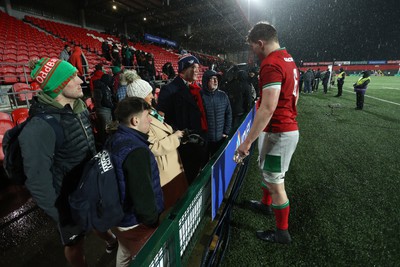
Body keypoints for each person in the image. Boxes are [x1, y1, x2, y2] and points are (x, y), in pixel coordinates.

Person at [20, 58, 116, 267]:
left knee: (98, 219)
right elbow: (37, 181)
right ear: (59, 86)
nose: (81, 79)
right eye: (73, 77)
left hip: (90, 185)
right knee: (75, 244)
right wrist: (61, 214)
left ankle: (111, 241)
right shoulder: (40, 127)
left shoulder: (79, 108)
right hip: (68, 200)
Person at [236, 22, 299, 244]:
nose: (253, 51)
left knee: (274, 182)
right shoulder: (288, 59)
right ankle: (265, 205)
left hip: (279, 133)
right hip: (282, 129)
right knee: (268, 174)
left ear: (260, 43)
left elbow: (268, 107)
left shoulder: (271, 63)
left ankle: (282, 233)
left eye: (253, 46)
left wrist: (247, 142)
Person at [108, 97, 164, 266]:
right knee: (149, 259)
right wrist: (152, 221)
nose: (150, 120)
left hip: (120, 219)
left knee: (124, 251)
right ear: (135, 120)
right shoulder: (136, 150)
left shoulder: (115, 137)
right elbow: (142, 195)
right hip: (134, 223)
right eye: (148, 115)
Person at [126, 74, 188, 210]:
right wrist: (175, 137)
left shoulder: (150, 111)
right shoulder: (139, 119)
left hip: (171, 163)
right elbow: (153, 147)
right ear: (141, 97)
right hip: (165, 170)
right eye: (149, 93)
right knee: (172, 208)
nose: (153, 96)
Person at [157, 54, 208, 184]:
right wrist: (179, 134)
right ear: (183, 69)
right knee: (189, 176)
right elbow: (162, 119)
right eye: (193, 67)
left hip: (198, 138)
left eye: (198, 67)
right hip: (184, 143)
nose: (197, 70)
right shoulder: (169, 90)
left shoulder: (197, 88)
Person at [201, 69, 232, 156]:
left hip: (220, 139)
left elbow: (228, 114)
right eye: (213, 78)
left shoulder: (223, 95)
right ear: (206, 80)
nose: (216, 81)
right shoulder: (199, 96)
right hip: (205, 141)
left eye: (217, 79)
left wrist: (226, 132)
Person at [93, 73, 115, 146]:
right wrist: (113, 106)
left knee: (103, 128)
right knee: (107, 129)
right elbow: (105, 101)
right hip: (105, 110)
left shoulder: (99, 86)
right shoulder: (103, 88)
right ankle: (107, 144)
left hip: (99, 109)